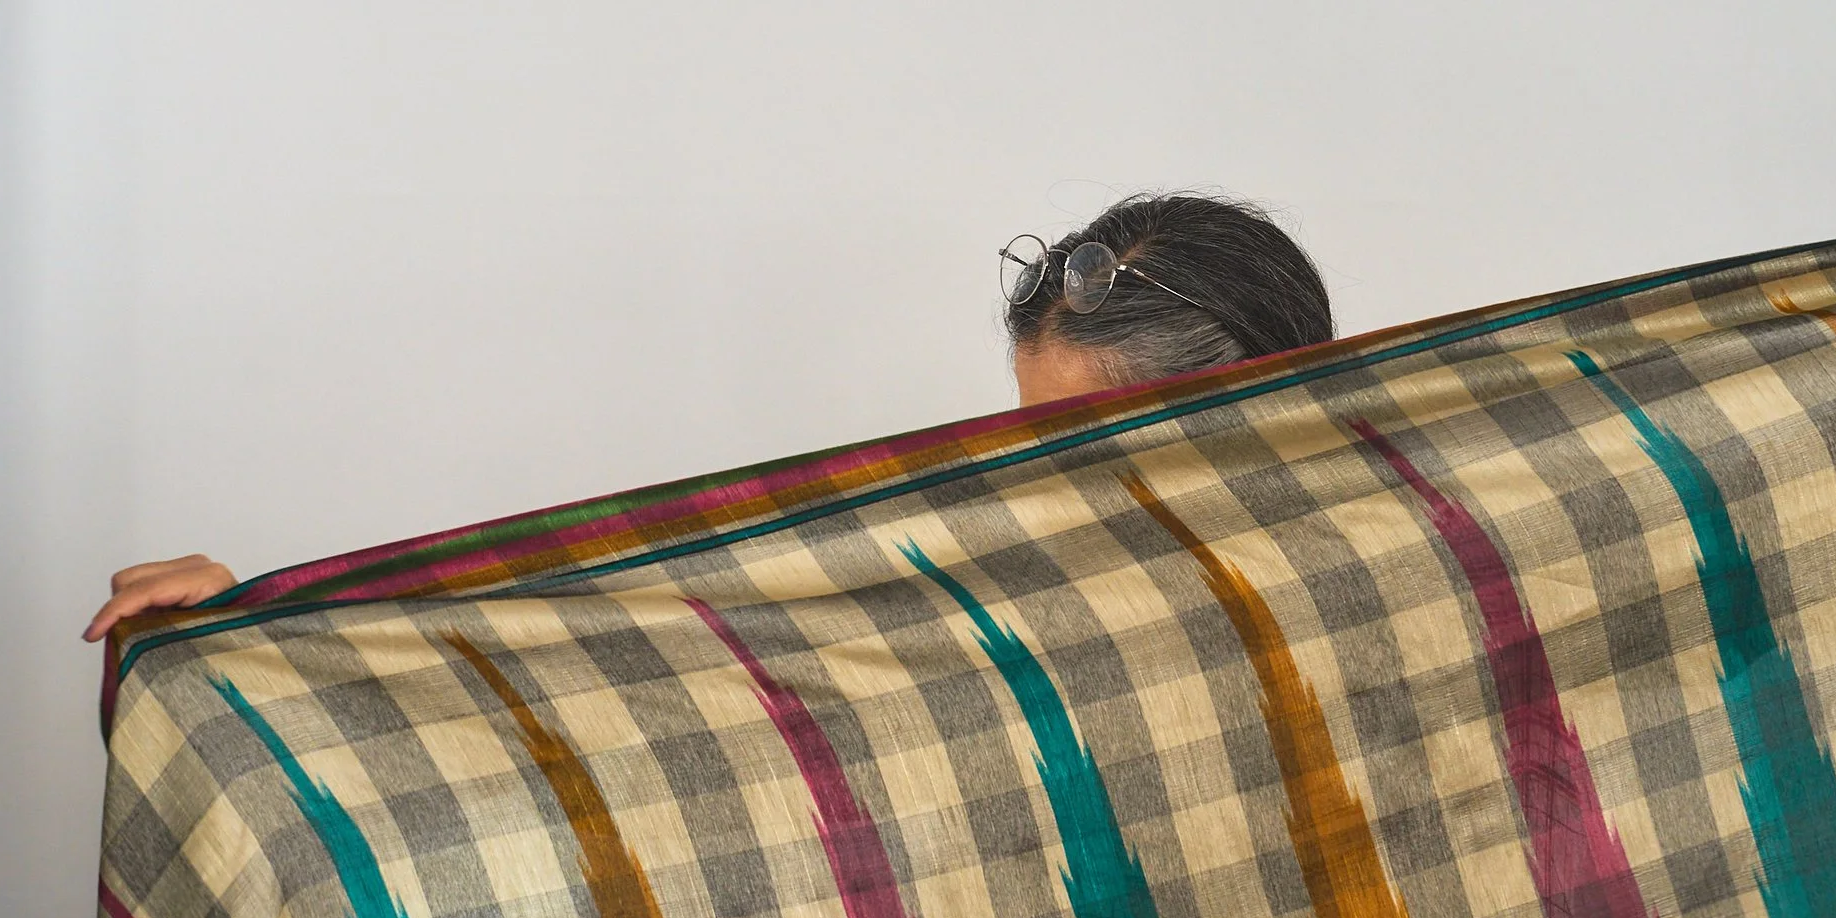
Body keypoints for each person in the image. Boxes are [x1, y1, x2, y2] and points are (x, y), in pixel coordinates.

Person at [85, 191, 1333, 641]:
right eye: (1026, 436)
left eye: (1079, 444)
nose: (1035, 477)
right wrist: (276, 624)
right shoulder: (1002, 579)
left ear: (1238, 410)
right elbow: (663, 617)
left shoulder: (1421, 588)